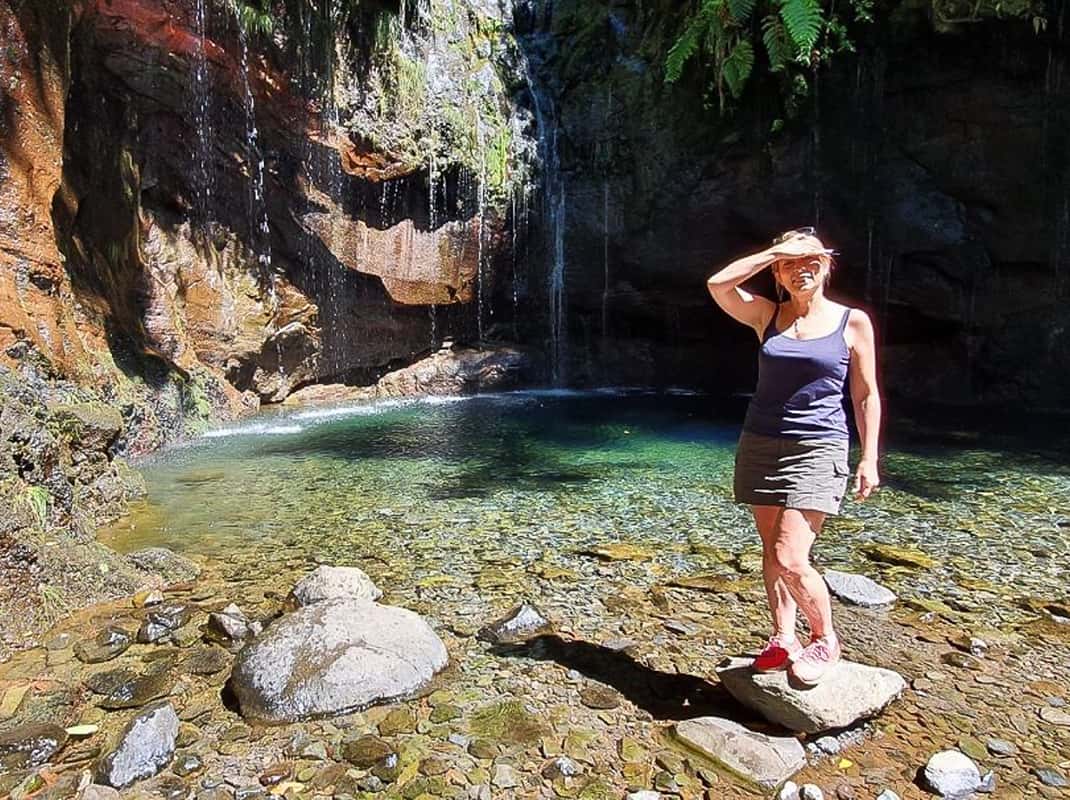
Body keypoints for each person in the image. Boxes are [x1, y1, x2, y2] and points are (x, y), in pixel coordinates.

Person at [705, 228, 881, 686]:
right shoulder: (768, 315)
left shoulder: (852, 322)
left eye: (811, 261)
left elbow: (865, 394)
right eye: (790, 264)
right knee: (771, 551)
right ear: (778, 273)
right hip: (761, 442)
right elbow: (718, 285)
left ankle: (825, 638)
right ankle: (784, 636)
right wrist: (774, 252)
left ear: (827, 267)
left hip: (818, 446)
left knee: (790, 554)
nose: (801, 269)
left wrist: (869, 457)